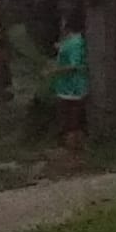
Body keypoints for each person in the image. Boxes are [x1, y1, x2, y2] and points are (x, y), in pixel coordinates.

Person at [49, 11, 89, 150]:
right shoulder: (72, 42)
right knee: (71, 118)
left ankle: (73, 147)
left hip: (72, 88)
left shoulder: (75, 43)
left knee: (71, 120)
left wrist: (54, 70)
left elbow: (74, 65)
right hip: (66, 87)